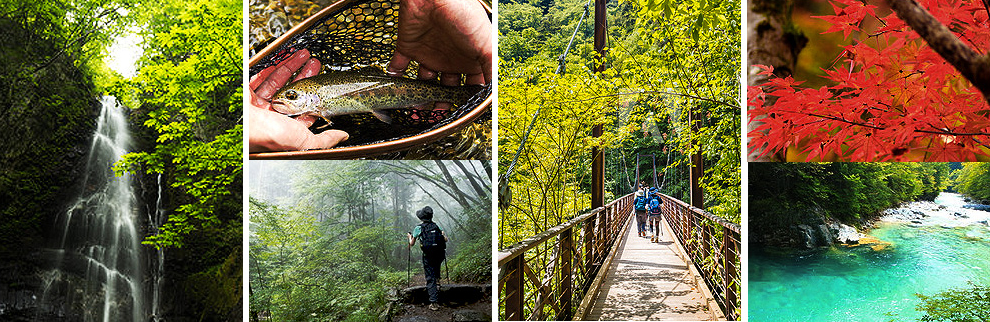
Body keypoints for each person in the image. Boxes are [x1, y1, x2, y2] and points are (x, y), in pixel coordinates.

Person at [249, 0, 492, 152]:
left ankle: (461, 96)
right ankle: (463, 97)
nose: (283, 100)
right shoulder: (313, 104)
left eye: (292, 96)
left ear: (314, 96)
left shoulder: (319, 106)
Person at [407, 206, 448, 311]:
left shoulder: (419, 228)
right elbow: (445, 240)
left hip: (428, 255)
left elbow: (411, 244)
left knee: (430, 278)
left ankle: (434, 303)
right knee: (436, 265)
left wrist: (409, 237)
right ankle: (438, 279)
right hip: (439, 254)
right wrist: (443, 234)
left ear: (422, 218)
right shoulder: (436, 226)